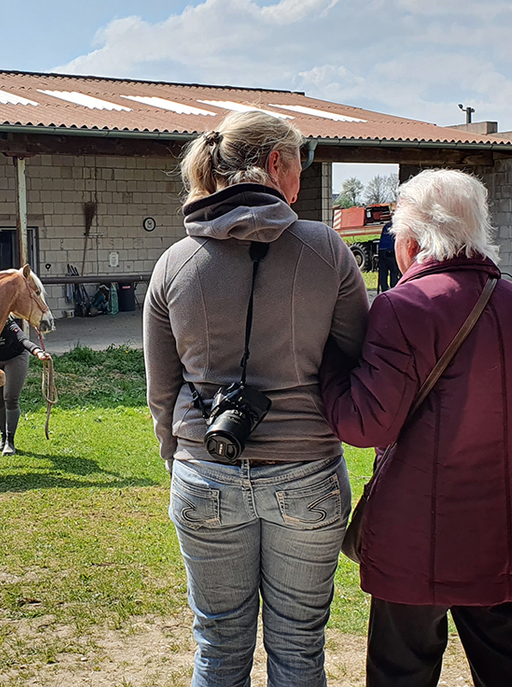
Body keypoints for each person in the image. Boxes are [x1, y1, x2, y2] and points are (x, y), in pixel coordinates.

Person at [144, 110, 368, 687]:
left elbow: (161, 391)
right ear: (275, 163)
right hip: (307, 473)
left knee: (218, 645)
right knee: (299, 647)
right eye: (299, 165)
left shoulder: (173, 263)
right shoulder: (326, 249)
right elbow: (355, 358)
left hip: (205, 470)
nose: (300, 180)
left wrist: (180, 458)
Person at [320, 169, 512, 687]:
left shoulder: (403, 307)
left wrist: (329, 364)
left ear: (409, 241)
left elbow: (365, 424)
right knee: (510, 668)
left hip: (418, 537)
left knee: (402, 671)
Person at [0, 317, 50, 455]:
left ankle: (10, 441)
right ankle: (3, 439)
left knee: (10, 398)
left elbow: (23, 340)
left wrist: (38, 352)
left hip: (15, 358)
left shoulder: (8, 323)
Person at [376, 220, 400, 292]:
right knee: (394, 271)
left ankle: (384, 288)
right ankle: (394, 288)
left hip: (381, 249)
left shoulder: (387, 225)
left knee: (383, 271)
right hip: (391, 249)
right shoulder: (398, 226)